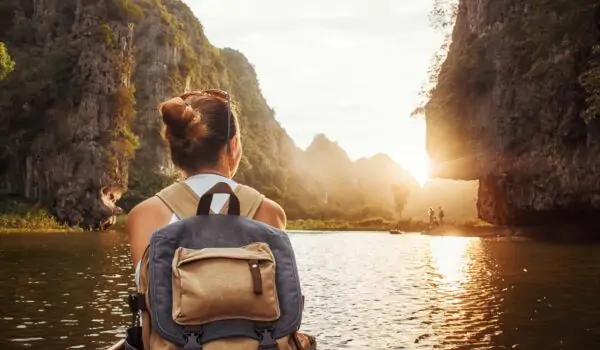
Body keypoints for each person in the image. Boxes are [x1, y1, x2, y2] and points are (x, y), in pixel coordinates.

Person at [125, 89, 287, 281]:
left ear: (174, 150)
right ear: (233, 145)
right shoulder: (269, 212)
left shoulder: (144, 215)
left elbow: (148, 297)